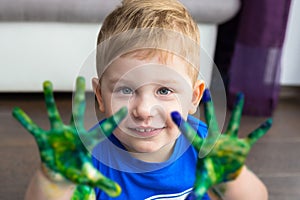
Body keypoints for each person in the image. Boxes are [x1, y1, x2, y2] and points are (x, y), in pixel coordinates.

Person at [14, 0, 270, 199]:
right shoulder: (86, 156)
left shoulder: (207, 149)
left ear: (194, 97)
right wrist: (55, 180)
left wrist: (232, 178)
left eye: (164, 91)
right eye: (125, 90)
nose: (144, 110)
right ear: (100, 96)